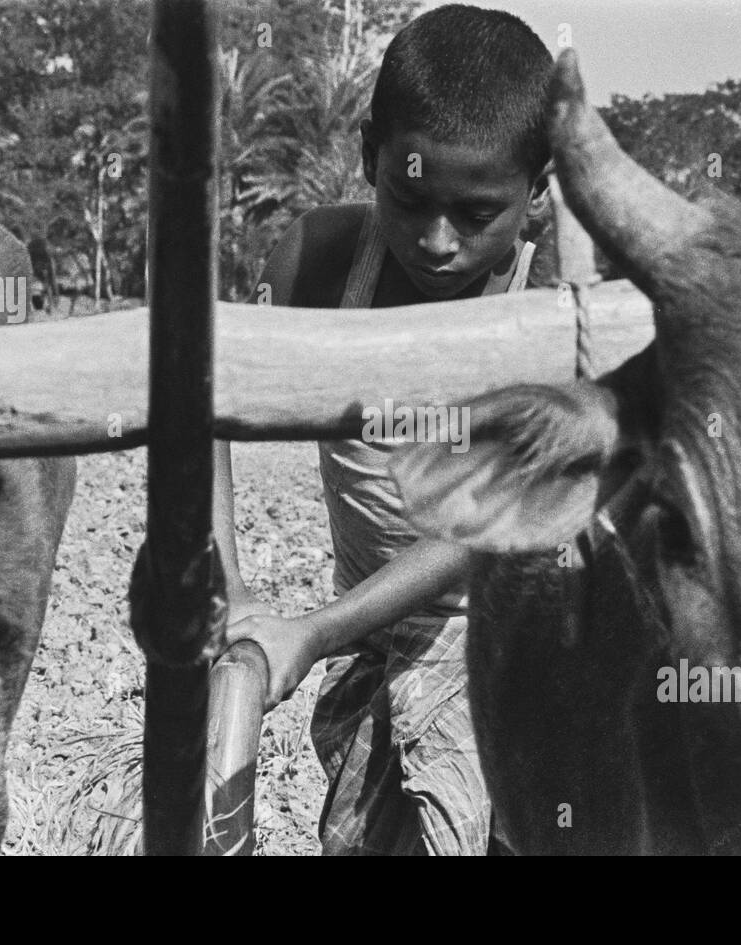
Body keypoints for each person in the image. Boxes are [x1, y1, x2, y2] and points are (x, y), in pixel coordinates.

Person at [214, 3, 555, 855]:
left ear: (539, 190)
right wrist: (229, 586)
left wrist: (318, 630)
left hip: (521, 657)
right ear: (371, 157)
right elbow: (203, 398)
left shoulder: (556, 299)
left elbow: (487, 523)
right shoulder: (322, 261)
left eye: (477, 215)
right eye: (409, 200)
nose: (437, 242)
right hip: (372, 650)